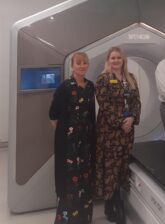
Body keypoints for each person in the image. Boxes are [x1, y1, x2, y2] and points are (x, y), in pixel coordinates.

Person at [94, 46, 141, 223]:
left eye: (118, 58)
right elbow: (104, 105)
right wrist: (121, 122)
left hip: (127, 132)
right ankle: (111, 203)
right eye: (112, 58)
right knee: (110, 167)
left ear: (123, 60)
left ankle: (117, 200)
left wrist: (133, 118)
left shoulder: (131, 79)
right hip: (110, 132)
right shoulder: (103, 79)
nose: (115, 61)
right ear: (108, 60)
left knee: (122, 165)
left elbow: (137, 101)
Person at [49, 52, 96, 224]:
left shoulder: (91, 86)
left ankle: (84, 218)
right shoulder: (65, 87)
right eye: (79, 63)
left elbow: (91, 113)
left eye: (85, 63)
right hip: (69, 142)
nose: (82, 66)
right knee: (69, 178)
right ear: (72, 66)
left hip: (86, 140)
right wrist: (65, 131)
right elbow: (53, 114)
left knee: (85, 176)